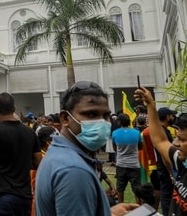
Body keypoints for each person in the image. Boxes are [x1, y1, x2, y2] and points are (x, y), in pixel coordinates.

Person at [34, 81, 138, 216]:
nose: (101, 122)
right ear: (65, 118)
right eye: (90, 114)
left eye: (106, 116)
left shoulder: (57, 152)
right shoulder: (73, 170)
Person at [137, 86, 187, 215]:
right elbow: (160, 141)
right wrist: (150, 105)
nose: (175, 144)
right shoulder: (181, 162)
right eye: (176, 138)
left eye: (182, 140)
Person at [112, 113, 142, 203]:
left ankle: (121, 207)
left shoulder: (115, 133)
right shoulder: (136, 133)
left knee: (120, 189)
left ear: (119, 122)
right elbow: (141, 147)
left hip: (121, 164)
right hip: (134, 164)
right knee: (136, 189)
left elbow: (115, 148)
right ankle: (139, 208)